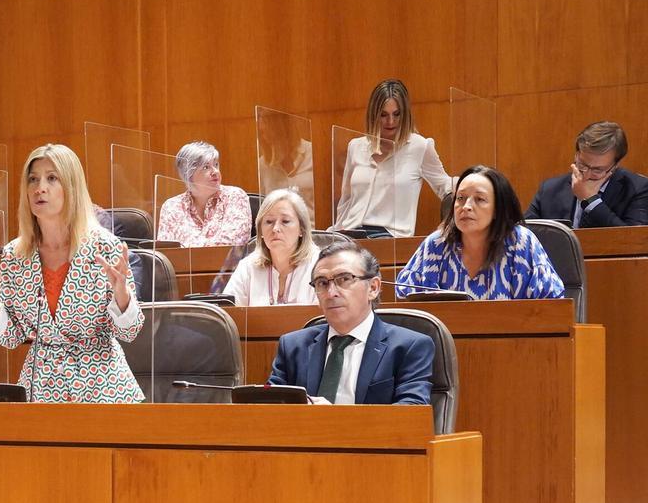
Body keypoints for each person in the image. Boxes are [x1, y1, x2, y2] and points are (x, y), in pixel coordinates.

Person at [0, 143, 145, 403]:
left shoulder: (105, 247)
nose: (40, 188)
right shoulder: (16, 254)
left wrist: (122, 296)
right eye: (33, 179)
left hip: (102, 387)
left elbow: (130, 332)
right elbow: (13, 337)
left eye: (52, 178)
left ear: (71, 186)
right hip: (42, 388)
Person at [268, 242, 433, 404]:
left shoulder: (409, 347)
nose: (331, 293)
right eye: (322, 283)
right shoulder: (292, 347)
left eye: (344, 279)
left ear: (373, 288)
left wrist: (338, 419)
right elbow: (268, 409)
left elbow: (409, 415)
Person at [397, 165, 566, 300]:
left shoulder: (520, 242)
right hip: (447, 342)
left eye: (480, 199)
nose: (466, 206)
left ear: (498, 209)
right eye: (460, 198)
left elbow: (551, 302)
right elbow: (407, 300)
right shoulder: (437, 244)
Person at [331, 79, 454, 238]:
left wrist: (448, 222)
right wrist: (336, 233)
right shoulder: (355, 146)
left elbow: (446, 186)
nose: (390, 121)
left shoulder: (420, 146)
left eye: (396, 114)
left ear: (405, 114)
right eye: (383, 115)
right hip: (350, 232)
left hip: (389, 235)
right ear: (373, 115)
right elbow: (346, 201)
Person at [525, 121, 648, 228]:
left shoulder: (637, 189)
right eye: (582, 165)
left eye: (597, 170)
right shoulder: (549, 189)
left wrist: (591, 201)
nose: (586, 175)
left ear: (615, 166)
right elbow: (524, 235)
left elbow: (634, 241)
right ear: (577, 154)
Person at [223, 189, 321, 306]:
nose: (275, 228)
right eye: (269, 222)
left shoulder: (319, 266)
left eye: (285, 221)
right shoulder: (247, 267)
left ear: (301, 229)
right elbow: (229, 312)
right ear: (261, 231)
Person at [155, 141, 252, 247]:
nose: (215, 171)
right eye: (206, 167)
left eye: (216, 165)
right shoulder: (171, 207)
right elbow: (166, 251)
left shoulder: (235, 196)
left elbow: (231, 244)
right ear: (189, 175)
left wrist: (187, 248)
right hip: (182, 264)